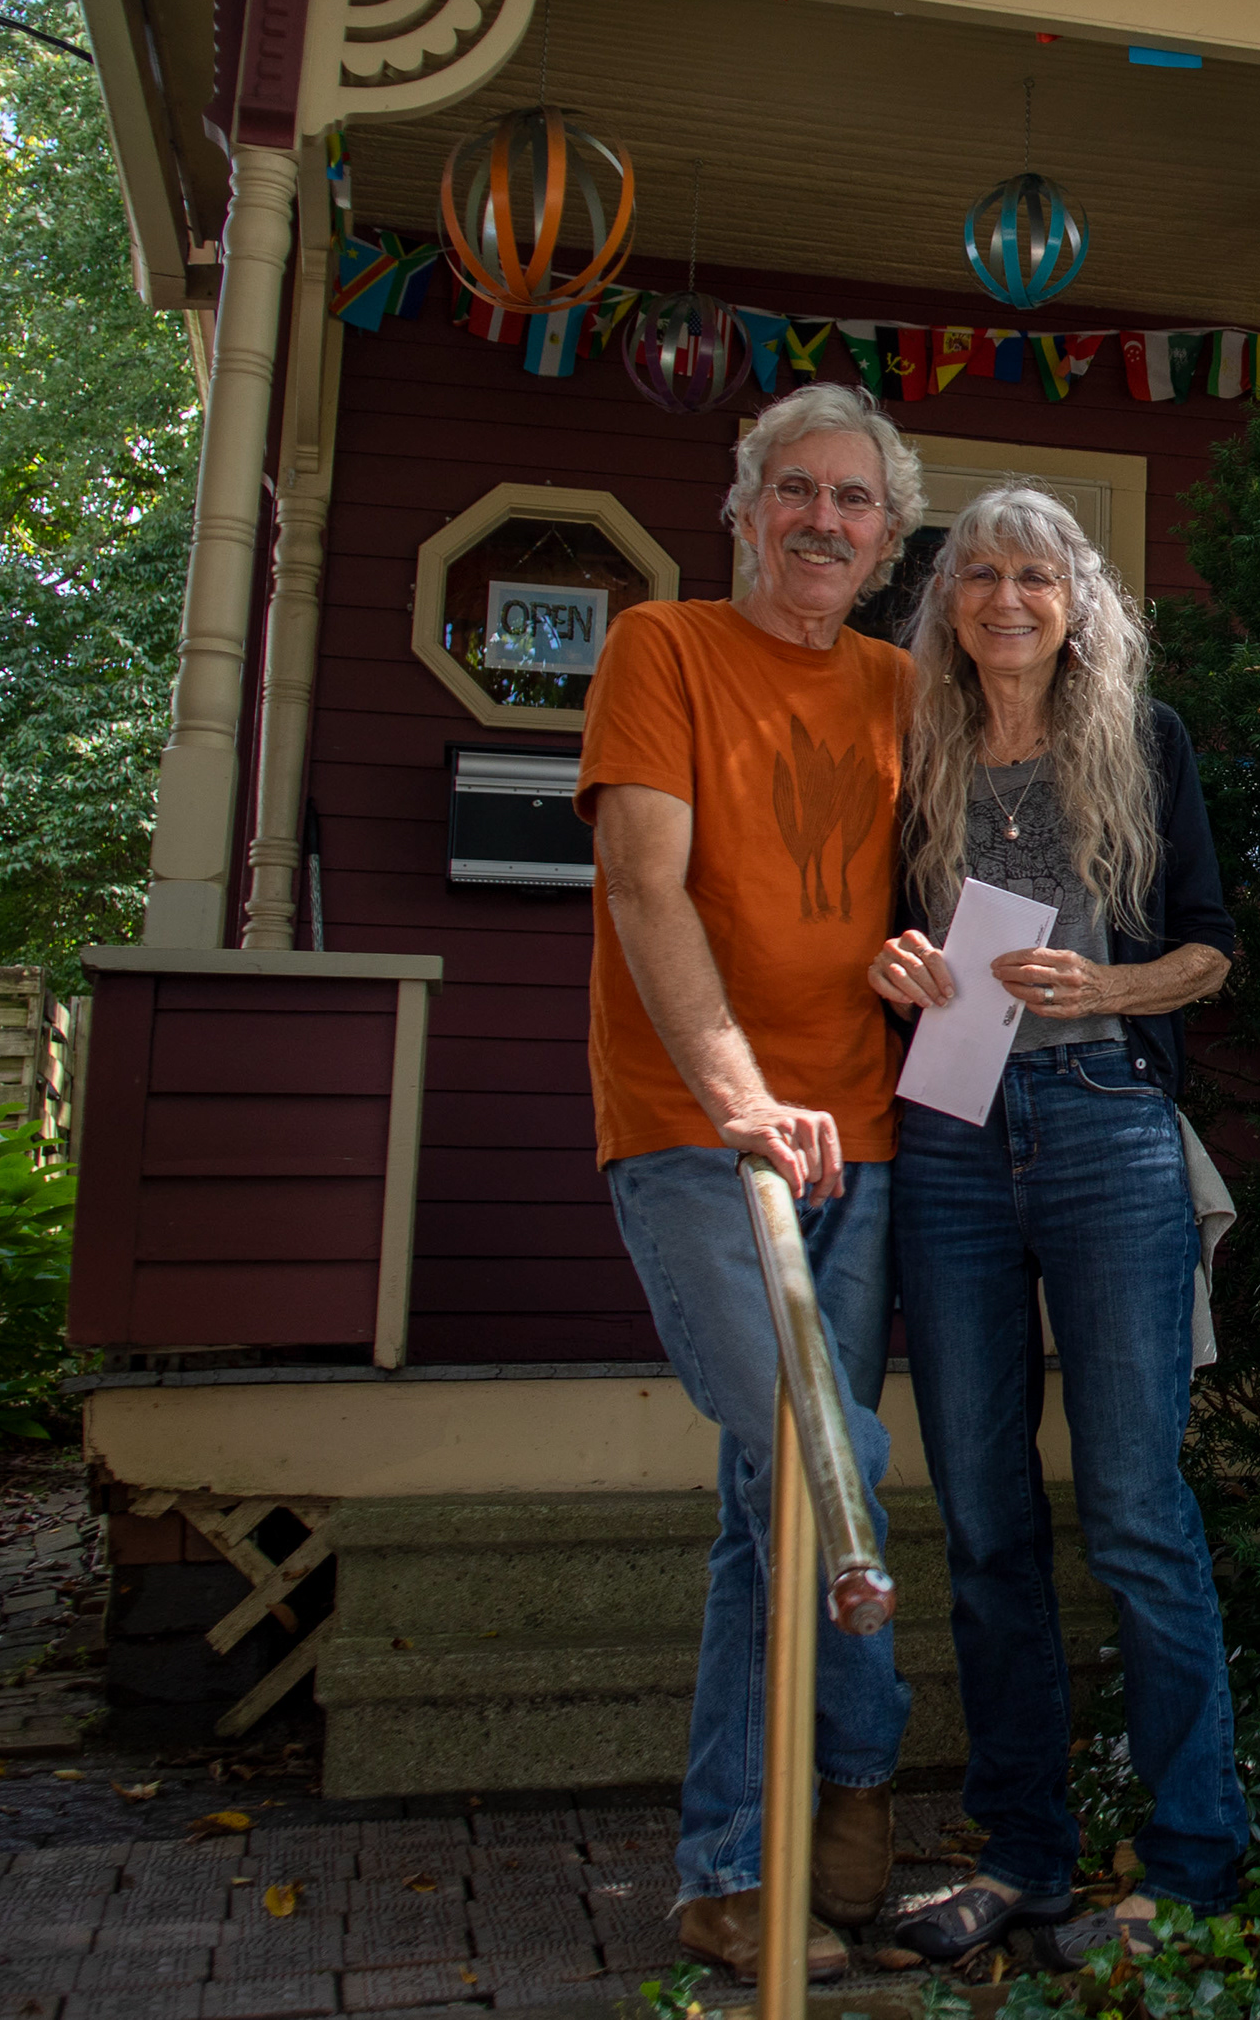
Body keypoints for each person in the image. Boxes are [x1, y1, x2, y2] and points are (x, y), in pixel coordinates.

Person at [575, 384, 926, 1988]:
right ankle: (849, 1787)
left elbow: (935, 889)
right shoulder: (664, 648)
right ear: (746, 508)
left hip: (866, 1135)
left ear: (888, 535)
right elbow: (646, 887)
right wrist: (741, 1101)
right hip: (699, 1137)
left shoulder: (905, 686)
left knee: (756, 1515)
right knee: (816, 1456)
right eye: (798, 491)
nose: (825, 521)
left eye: (856, 501)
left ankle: (746, 1866)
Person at [867, 484, 1246, 1969]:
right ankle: (1020, 1856)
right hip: (950, 1131)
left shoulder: (1145, 744)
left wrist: (1113, 988)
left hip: (1103, 1124)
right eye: (979, 575)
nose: (1007, 598)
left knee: (1140, 1510)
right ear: (948, 602)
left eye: (1036, 574)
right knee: (982, 1519)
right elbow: (864, 936)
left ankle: (1193, 1861)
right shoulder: (911, 746)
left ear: (1077, 601)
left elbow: (1214, 946)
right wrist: (890, 960)